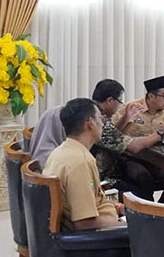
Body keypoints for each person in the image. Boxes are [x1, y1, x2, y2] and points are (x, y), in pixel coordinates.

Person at [43, 98, 124, 231]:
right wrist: (127, 226)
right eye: (100, 118)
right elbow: (84, 223)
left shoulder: (60, 151)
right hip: (96, 236)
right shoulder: (81, 162)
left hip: (104, 219)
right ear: (90, 123)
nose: (102, 124)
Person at [90, 79, 164, 200]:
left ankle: (158, 207)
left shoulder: (92, 113)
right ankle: (152, 209)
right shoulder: (98, 122)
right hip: (101, 179)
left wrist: (127, 116)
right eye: (119, 101)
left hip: (110, 169)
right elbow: (134, 147)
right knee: (141, 193)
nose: (120, 105)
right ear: (110, 101)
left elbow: (112, 135)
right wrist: (160, 134)